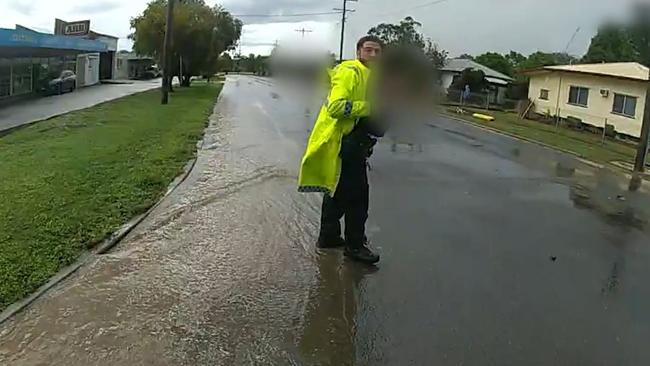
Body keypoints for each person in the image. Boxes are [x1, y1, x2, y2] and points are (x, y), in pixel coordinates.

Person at [298, 36, 384, 265]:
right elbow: (337, 107)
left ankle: (328, 236)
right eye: (369, 50)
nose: (374, 55)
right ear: (358, 52)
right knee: (358, 198)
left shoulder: (369, 76)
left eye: (377, 51)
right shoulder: (351, 72)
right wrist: (369, 108)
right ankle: (355, 246)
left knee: (337, 192)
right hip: (345, 142)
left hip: (351, 142)